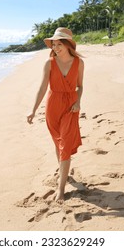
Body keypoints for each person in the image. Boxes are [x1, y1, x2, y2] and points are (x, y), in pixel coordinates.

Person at [27, 27, 84, 203]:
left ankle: (60, 189)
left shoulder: (79, 63)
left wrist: (78, 101)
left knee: (65, 144)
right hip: (52, 106)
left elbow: (80, 86)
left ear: (67, 45)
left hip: (70, 107)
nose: (56, 47)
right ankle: (63, 172)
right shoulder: (49, 63)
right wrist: (34, 109)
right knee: (58, 142)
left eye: (59, 44)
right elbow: (43, 87)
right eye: (53, 44)